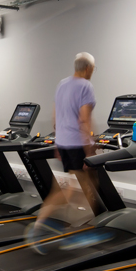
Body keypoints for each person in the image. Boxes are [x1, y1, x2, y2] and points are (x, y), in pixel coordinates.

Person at [26, 52, 111, 253]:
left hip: (64, 143)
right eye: (93, 69)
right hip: (76, 145)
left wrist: (58, 145)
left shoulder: (62, 84)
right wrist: (90, 146)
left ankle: (41, 225)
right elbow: (84, 120)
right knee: (86, 184)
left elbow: (56, 119)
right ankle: (82, 230)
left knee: (69, 187)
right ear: (88, 68)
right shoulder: (86, 86)